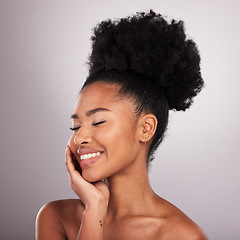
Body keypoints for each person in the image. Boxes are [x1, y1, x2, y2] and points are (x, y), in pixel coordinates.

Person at [35, 10, 208, 240]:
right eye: (75, 126)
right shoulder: (55, 217)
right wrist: (94, 210)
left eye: (98, 121)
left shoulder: (182, 235)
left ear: (145, 128)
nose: (80, 138)